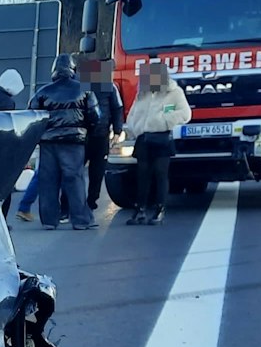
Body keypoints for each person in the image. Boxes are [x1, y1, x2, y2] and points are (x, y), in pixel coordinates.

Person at [27, 58, 101, 231]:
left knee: (48, 181)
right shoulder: (84, 90)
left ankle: (49, 220)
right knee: (74, 179)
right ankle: (81, 220)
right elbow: (95, 116)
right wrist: (86, 131)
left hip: (48, 142)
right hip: (74, 142)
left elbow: (31, 116)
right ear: (72, 69)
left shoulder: (43, 92)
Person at [122, 60, 191, 225]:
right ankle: (140, 209)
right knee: (142, 176)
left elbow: (185, 113)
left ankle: (159, 209)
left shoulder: (174, 92)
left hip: (161, 139)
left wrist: (164, 121)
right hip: (143, 139)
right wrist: (132, 128)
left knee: (160, 175)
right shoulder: (143, 93)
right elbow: (133, 113)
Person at [81, 59, 126, 211]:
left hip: (84, 134)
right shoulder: (109, 87)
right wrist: (117, 131)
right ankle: (91, 201)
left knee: (76, 171)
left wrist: (118, 130)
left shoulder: (83, 86)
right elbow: (117, 109)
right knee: (97, 171)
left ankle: (72, 203)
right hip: (100, 134)